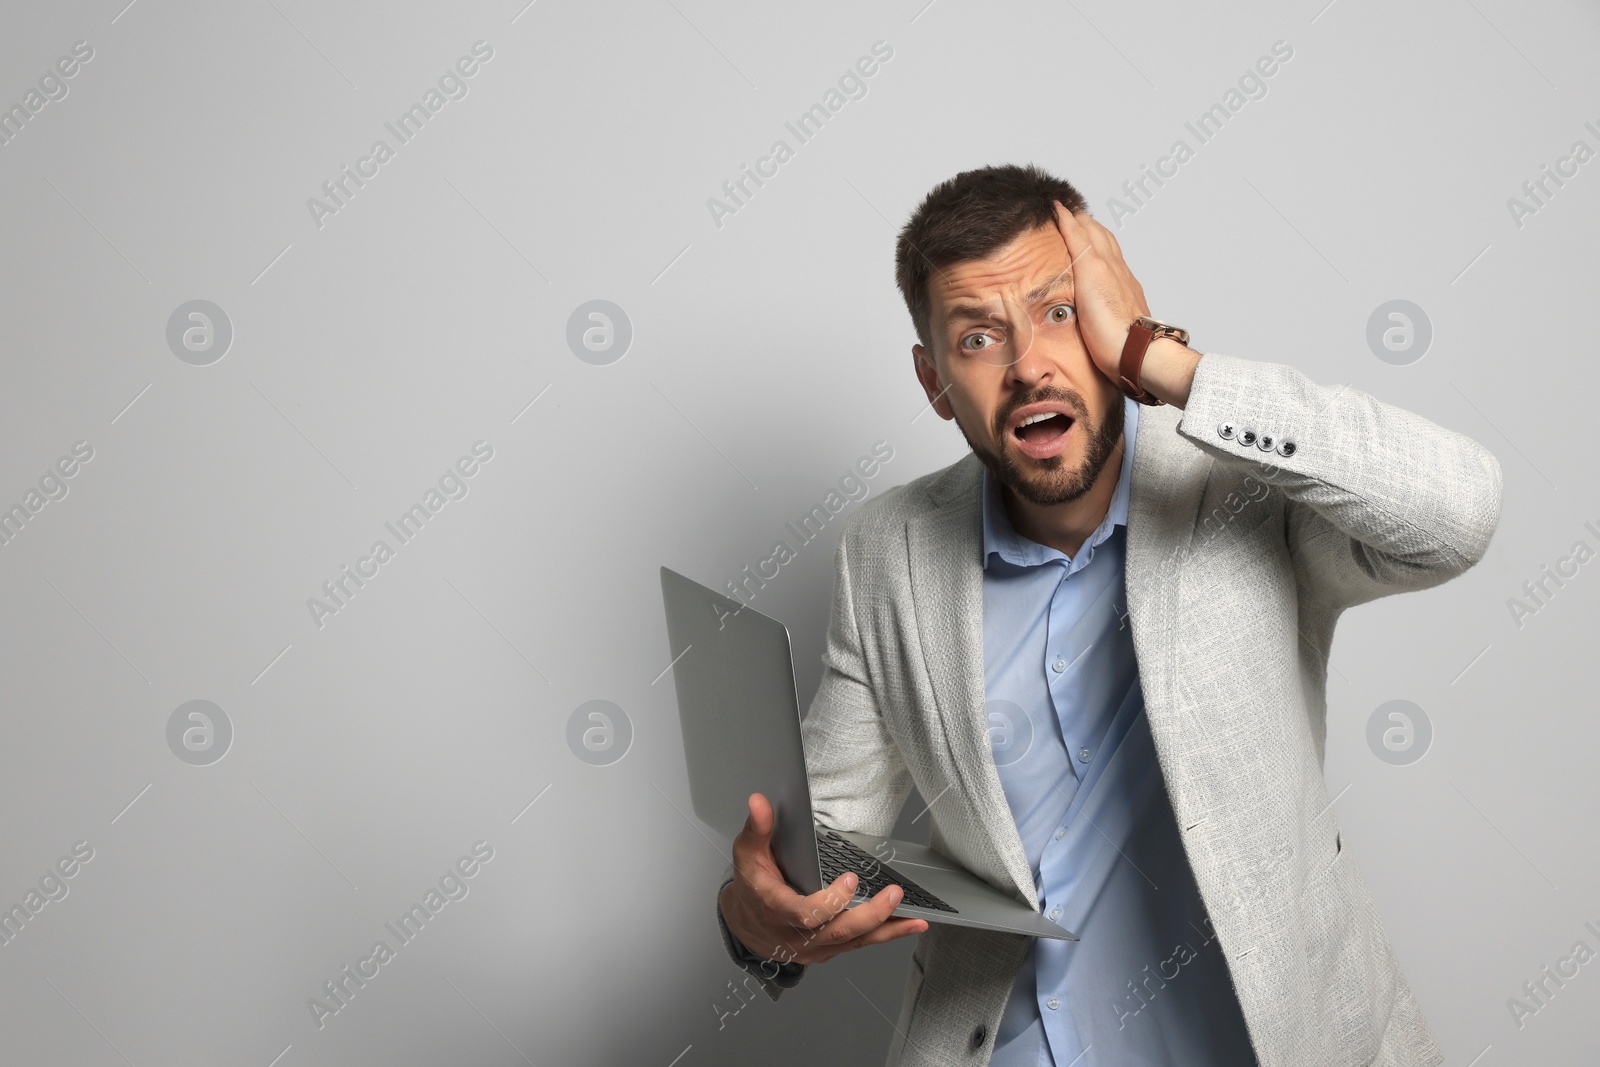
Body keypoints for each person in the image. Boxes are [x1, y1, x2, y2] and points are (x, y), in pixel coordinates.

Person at [713, 163, 1501, 1066]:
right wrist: (755, 913)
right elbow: (821, 844)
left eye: (1059, 312)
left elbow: (1459, 512)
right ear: (935, 384)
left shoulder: (1242, 489)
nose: (1029, 365)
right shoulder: (886, 550)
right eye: (979, 337)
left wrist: (1161, 360)